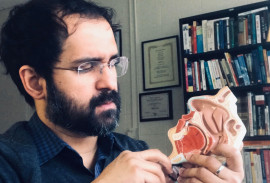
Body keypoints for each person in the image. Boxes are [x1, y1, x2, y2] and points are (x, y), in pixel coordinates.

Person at [0, 0, 244, 182]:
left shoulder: (136, 151)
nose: (109, 82)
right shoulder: (8, 164)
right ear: (34, 82)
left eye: (113, 63)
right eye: (86, 67)